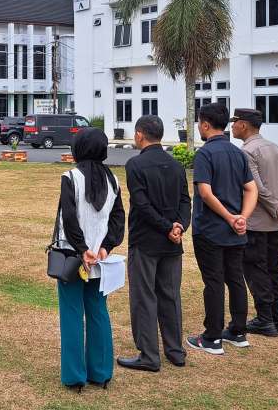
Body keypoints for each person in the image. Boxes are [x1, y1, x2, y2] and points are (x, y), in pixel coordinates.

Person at [117, 116, 190, 373]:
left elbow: (142, 204)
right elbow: (185, 201)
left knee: (144, 296)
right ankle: (175, 351)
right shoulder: (176, 165)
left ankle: (149, 354)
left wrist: (167, 226)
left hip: (146, 240)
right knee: (170, 296)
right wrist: (179, 225)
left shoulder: (135, 165)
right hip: (172, 241)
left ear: (139, 135)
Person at [54, 128, 125, 390]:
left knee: (72, 314)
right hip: (100, 260)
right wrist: (105, 247)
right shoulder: (114, 180)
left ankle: (74, 377)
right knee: (98, 312)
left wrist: (82, 248)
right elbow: (118, 219)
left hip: (74, 257)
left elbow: (69, 218)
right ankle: (101, 372)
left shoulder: (70, 177)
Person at [187, 102, 259, 356]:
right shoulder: (237, 153)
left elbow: (205, 192)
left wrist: (231, 217)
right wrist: (242, 217)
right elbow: (252, 189)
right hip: (235, 231)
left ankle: (212, 337)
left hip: (210, 229)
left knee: (214, 282)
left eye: (199, 123)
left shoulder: (205, 154)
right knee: (235, 279)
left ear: (205, 125)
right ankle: (238, 331)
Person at [230, 108, 278, 337]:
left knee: (256, 270)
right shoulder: (273, 147)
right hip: (275, 224)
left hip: (257, 223)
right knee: (272, 269)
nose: (232, 126)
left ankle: (265, 319)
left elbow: (256, 187)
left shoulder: (247, 152)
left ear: (244, 125)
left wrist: (277, 207)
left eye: (235, 122)